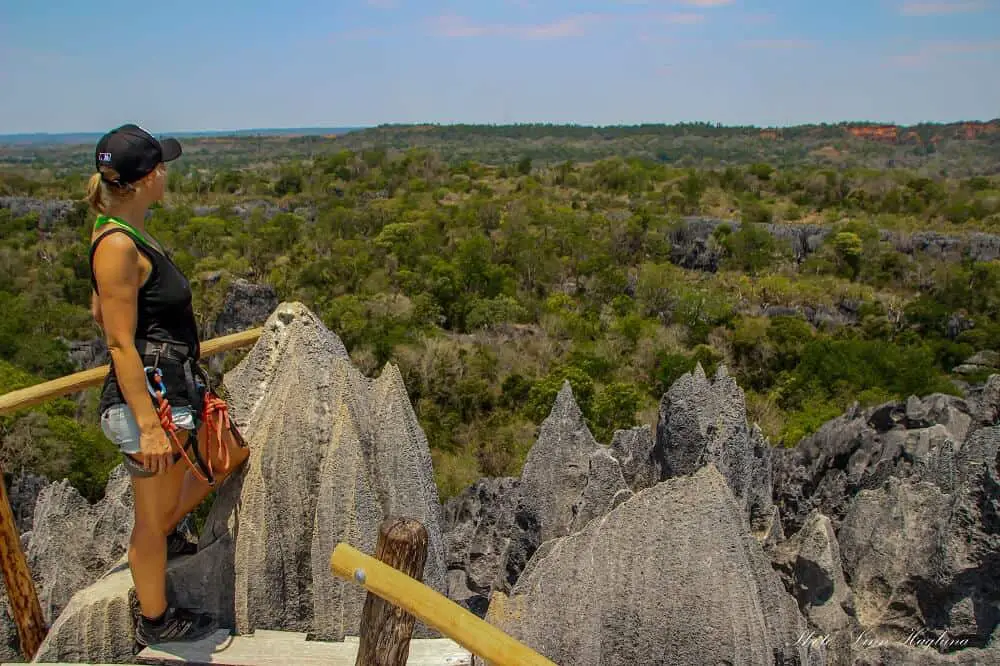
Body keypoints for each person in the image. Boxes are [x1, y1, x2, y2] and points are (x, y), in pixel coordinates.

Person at [86, 124, 250, 647]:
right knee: (150, 522)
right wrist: (148, 425)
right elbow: (117, 343)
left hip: (170, 391)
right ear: (144, 178)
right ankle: (156, 620)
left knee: (226, 455)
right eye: (160, 167)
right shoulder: (115, 244)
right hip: (151, 403)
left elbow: (103, 311)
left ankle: (159, 540)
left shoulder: (126, 233)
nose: (166, 174)